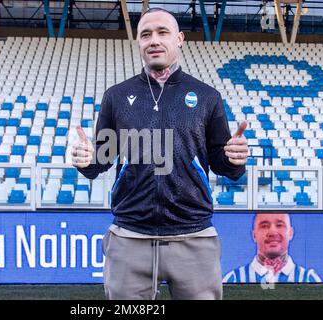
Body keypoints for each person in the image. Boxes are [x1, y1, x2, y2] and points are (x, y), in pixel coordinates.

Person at [72, 7, 249, 300]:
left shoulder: (207, 96)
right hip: (130, 239)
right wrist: (87, 160)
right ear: (138, 42)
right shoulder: (116, 96)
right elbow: (102, 159)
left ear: (179, 39)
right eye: (146, 34)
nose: (154, 40)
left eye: (162, 32)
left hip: (194, 237)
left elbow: (222, 163)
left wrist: (235, 159)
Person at [223, 213, 322, 283]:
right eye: (264, 226)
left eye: (279, 225)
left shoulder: (308, 279)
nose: (272, 232)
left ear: (290, 233)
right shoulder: (234, 279)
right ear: (254, 235)